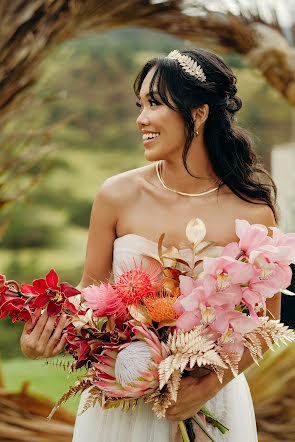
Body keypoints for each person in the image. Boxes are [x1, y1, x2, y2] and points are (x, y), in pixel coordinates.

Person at [20, 48, 280, 441]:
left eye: (155, 103)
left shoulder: (253, 213)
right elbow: (89, 298)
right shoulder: (116, 195)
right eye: (140, 104)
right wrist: (42, 341)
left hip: (210, 406)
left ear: (198, 112)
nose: (141, 118)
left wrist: (205, 388)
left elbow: (267, 326)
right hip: (120, 406)